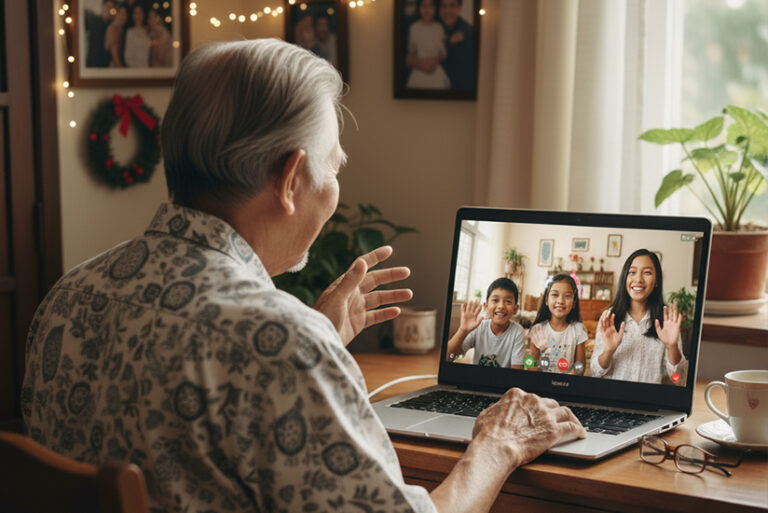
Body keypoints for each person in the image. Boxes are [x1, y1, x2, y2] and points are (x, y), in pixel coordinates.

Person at [22, 39, 585, 513]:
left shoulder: (68, 296)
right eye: (333, 166)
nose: (336, 187)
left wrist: (316, 335)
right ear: (291, 179)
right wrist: (499, 444)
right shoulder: (281, 346)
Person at [590, 249, 687, 384]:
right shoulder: (609, 317)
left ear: (657, 280)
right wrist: (609, 350)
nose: (638, 279)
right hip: (611, 399)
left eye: (647, 272)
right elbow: (596, 372)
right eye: (632, 272)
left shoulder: (666, 320)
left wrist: (672, 346)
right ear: (625, 278)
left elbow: (679, 379)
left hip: (648, 401)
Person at [446, 278, 526, 368]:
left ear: (515, 309)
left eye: (508, 301)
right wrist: (462, 330)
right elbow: (449, 357)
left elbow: (517, 370)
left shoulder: (518, 331)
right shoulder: (479, 327)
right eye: (495, 300)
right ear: (486, 306)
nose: (501, 306)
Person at [527, 274, 587, 375]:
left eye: (567, 296)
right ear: (546, 300)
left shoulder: (578, 330)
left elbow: (579, 366)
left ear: (574, 302)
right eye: (555, 295)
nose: (560, 301)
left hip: (568, 385)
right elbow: (532, 367)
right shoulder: (538, 330)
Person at [405, 0, 450, 89]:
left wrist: (435, 61)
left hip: (435, 70)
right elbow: (411, 53)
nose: (427, 10)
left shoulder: (439, 28)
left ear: (435, 8)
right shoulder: (414, 27)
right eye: (424, 6)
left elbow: (443, 54)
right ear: (419, 8)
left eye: (430, 6)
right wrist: (421, 63)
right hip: (419, 70)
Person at [439, 0, 473, 90]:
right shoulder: (436, 29)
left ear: (459, 9)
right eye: (444, 6)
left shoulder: (467, 32)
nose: (447, 11)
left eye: (452, 6)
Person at [85, 0, 114, 68]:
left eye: (111, 8)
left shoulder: (110, 25)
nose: (109, 10)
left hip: (104, 65)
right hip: (94, 64)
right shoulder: (95, 22)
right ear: (103, 7)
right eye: (108, 7)